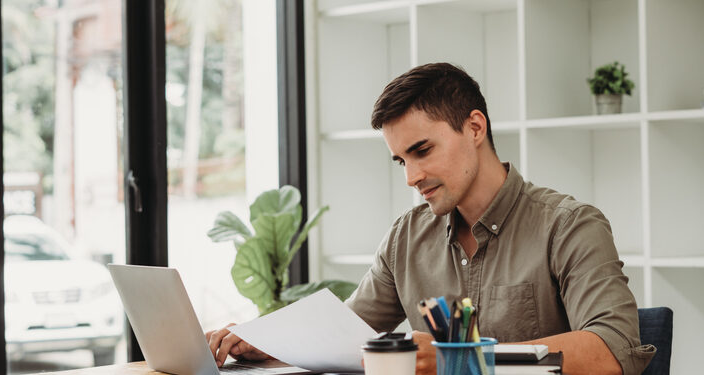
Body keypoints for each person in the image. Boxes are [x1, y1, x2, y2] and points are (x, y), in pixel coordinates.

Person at [206, 63, 656, 375]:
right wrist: (263, 339)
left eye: (422, 151)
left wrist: (456, 360)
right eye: (400, 160)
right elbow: (344, 333)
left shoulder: (569, 225)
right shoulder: (406, 237)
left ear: (475, 128)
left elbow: (613, 351)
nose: (412, 177)